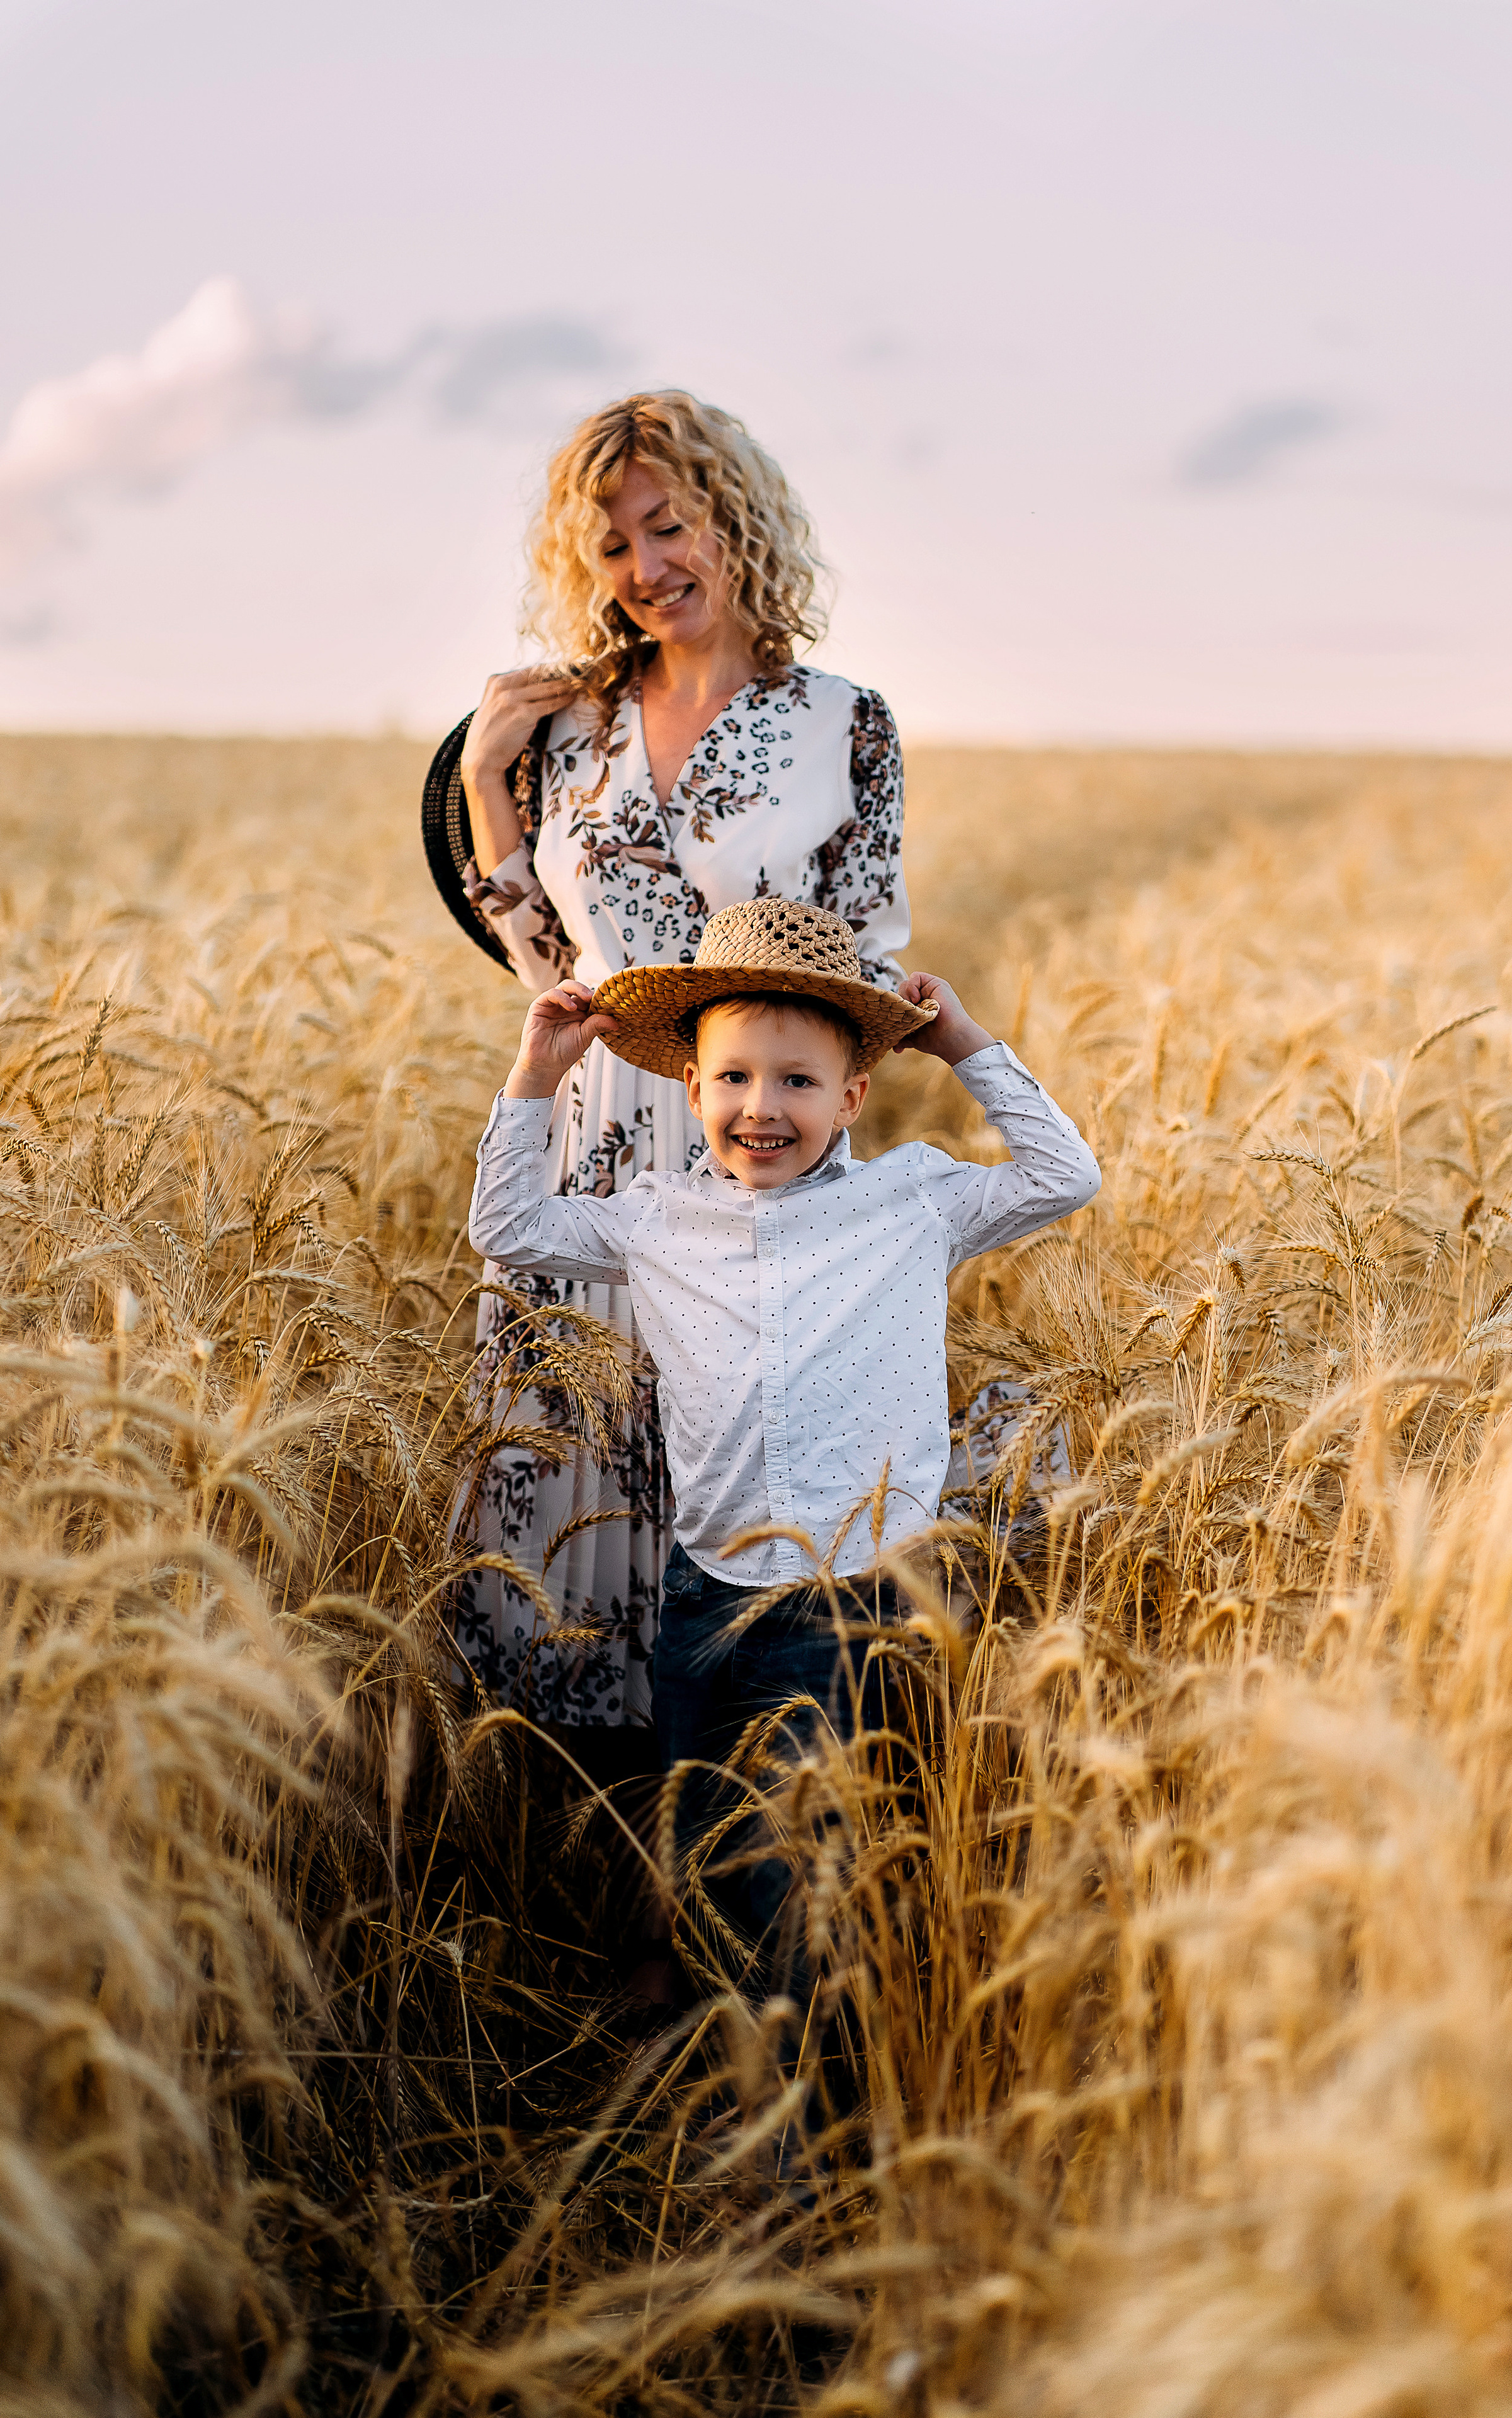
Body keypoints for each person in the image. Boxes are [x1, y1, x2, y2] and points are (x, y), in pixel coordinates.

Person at [467, 899, 1103, 1986]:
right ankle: (718, 2062)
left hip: (849, 1597)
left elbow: (1065, 1176)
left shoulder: (914, 1203)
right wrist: (536, 1074)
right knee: (697, 1847)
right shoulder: (656, 1215)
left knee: (799, 1876)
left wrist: (961, 1042)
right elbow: (509, 1227)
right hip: (704, 1591)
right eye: (735, 1078)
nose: (763, 1108)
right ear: (692, 1088)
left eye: (799, 1082)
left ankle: (800, 2114)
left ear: (854, 1096)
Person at [454, 392, 914, 1754]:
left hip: (754, 1149)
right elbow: (550, 969)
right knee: (581, 1507)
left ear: (735, 521)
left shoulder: (844, 725)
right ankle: (613, 1874)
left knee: (738, 1521)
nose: (644, 567)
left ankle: (714, 1891)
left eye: (669, 525)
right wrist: (490, 785)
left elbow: (868, 973)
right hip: (590, 1146)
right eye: (610, 547)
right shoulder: (572, 728)